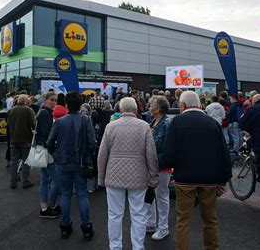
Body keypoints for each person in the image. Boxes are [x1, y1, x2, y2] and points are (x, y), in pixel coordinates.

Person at [163, 91, 231, 250]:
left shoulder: (177, 122)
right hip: (209, 179)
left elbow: (169, 153)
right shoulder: (212, 123)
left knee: (183, 221)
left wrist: (173, 168)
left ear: (182, 105)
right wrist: (223, 180)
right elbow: (223, 154)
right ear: (200, 105)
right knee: (210, 220)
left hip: (184, 179)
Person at [98, 97, 158, 250]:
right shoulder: (144, 126)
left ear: (120, 110)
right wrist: (154, 175)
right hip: (138, 177)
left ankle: (115, 247)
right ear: (136, 110)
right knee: (138, 214)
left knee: (114, 215)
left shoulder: (111, 127)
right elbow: (151, 154)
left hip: (114, 175)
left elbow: (102, 154)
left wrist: (101, 177)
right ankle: (138, 247)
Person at [46, 91, 95, 241]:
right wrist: (87, 156)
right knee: (81, 194)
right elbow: (92, 142)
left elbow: (49, 143)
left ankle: (65, 226)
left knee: (66, 194)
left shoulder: (60, 121)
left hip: (63, 162)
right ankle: (86, 227)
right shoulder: (86, 120)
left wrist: (56, 154)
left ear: (67, 104)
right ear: (80, 104)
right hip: (80, 162)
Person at [144, 96, 171, 241]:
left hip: (160, 166)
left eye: (152, 104)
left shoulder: (166, 123)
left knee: (161, 196)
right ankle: (151, 223)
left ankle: (163, 227)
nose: (149, 106)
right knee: (152, 195)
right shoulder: (154, 121)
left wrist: (153, 162)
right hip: (153, 166)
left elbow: (166, 149)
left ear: (158, 108)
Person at [35, 91, 60, 218]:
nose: (54, 102)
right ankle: (50, 204)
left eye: (55, 100)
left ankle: (45, 207)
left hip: (43, 149)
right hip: (46, 150)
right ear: (45, 100)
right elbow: (47, 134)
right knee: (57, 180)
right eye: (52, 100)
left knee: (45, 179)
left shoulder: (45, 112)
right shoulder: (45, 113)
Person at [7, 94, 35, 189]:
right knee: (25, 161)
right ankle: (25, 181)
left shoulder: (11, 110)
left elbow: (8, 123)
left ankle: (13, 181)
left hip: (13, 139)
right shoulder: (28, 110)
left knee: (14, 161)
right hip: (26, 138)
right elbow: (33, 124)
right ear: (27, 101)